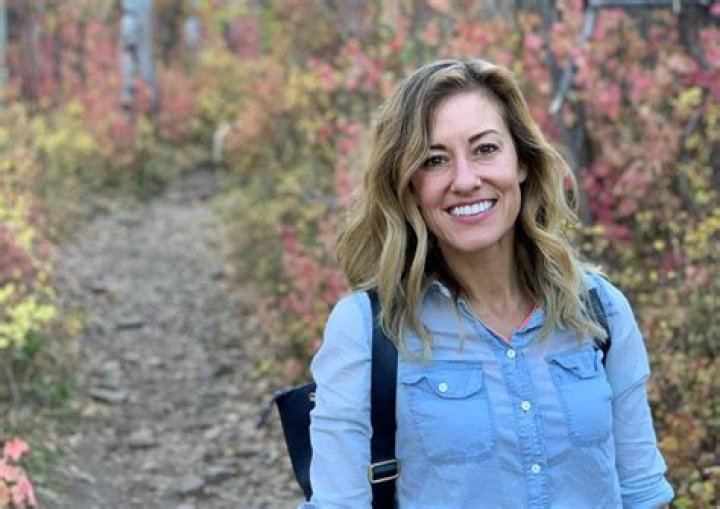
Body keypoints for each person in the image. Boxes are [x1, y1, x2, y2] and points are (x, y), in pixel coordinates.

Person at [302, 59, 674, 508]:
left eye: (485, 149)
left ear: (522, 162)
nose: (465, 180)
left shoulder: (601, 310)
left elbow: (642, 492)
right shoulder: (368, 331)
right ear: (408, 186)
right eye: (434, 160)